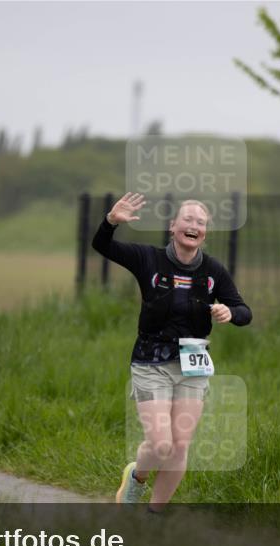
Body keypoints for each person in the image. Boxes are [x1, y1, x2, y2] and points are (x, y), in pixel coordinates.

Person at [92, 192, 252, 513]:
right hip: (151, 362)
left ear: (204, 232)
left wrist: (229, 313)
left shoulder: (213, 271)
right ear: (173, 226)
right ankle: (137, 476)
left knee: (180, 446)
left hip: (193, 363)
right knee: (161, 444)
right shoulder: (149, 259)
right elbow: (102, 246)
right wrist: (110, 222)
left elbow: (244, 311)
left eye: (201, 222)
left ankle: (154, 514)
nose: (194, 225)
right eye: (188, 219)